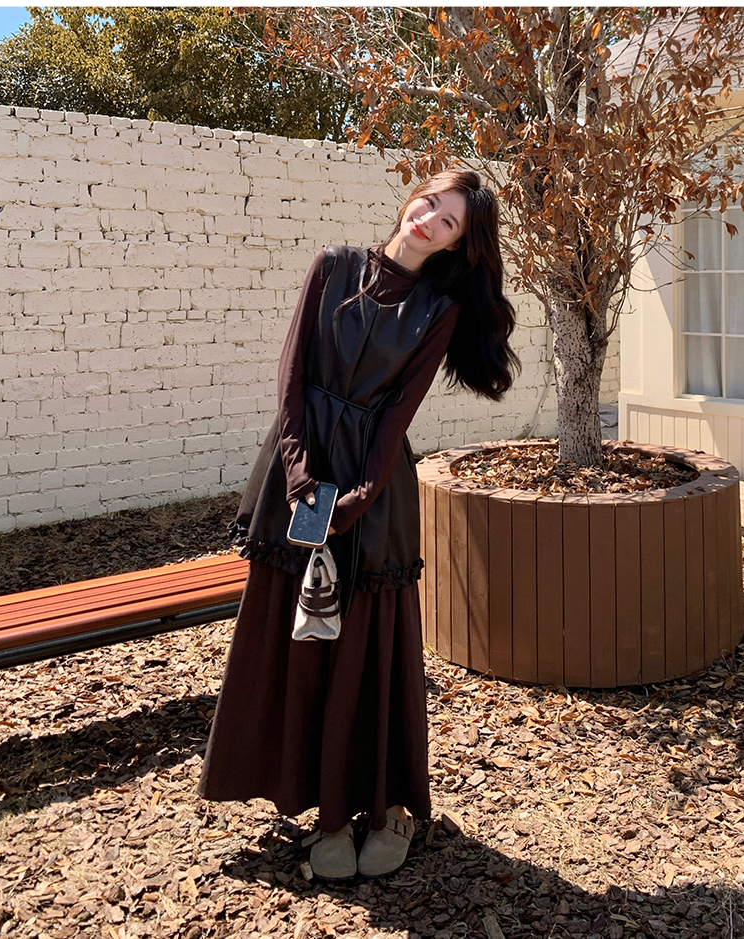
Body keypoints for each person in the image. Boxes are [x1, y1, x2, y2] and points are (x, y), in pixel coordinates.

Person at [198, 168, 519, 880]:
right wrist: (301, 478)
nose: (429, 219)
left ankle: (381, 807)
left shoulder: (438, 310)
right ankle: (322, 810)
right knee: (299, 636)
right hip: (300, 469)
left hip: (373, 490)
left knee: (367, 647)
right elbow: (291, 378)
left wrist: (362, 495)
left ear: (457, 245)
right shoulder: (333, 265)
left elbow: (399, 412)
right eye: (429, 202)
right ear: (412, 199)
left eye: (449, 222)